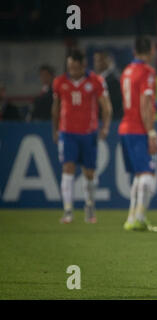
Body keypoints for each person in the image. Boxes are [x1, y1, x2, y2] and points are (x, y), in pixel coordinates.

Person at [52, 49, 112, 224]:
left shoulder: (95, 81)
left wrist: (105, 126)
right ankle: (68, 210)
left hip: (89, 132)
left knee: (90, 173)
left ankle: (90, 206)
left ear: (83, 65)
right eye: (70, 66)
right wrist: (54, 130)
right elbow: (55, 108)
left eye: (76, 67)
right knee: (68, 168)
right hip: (67, 132)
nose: (73, 70)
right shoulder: (60, 82)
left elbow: (106, 107)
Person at [119, 36, 157, 232]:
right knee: (147, 175)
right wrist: (151, 131)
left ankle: (132, 218)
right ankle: (139, 218)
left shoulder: (127, 71)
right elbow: (145, 104)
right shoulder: (147, 72)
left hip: (125, 127)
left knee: (138, 175)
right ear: (151, 50)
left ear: (135, 51)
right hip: (138, 129)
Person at [93, 50, 123, 120]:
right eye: (96, 60)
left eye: (100, 60)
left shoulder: (115, 79)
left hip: (112, 120)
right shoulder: (95, 78)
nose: (97, 63)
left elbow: (116, 104)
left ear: (108, 61)